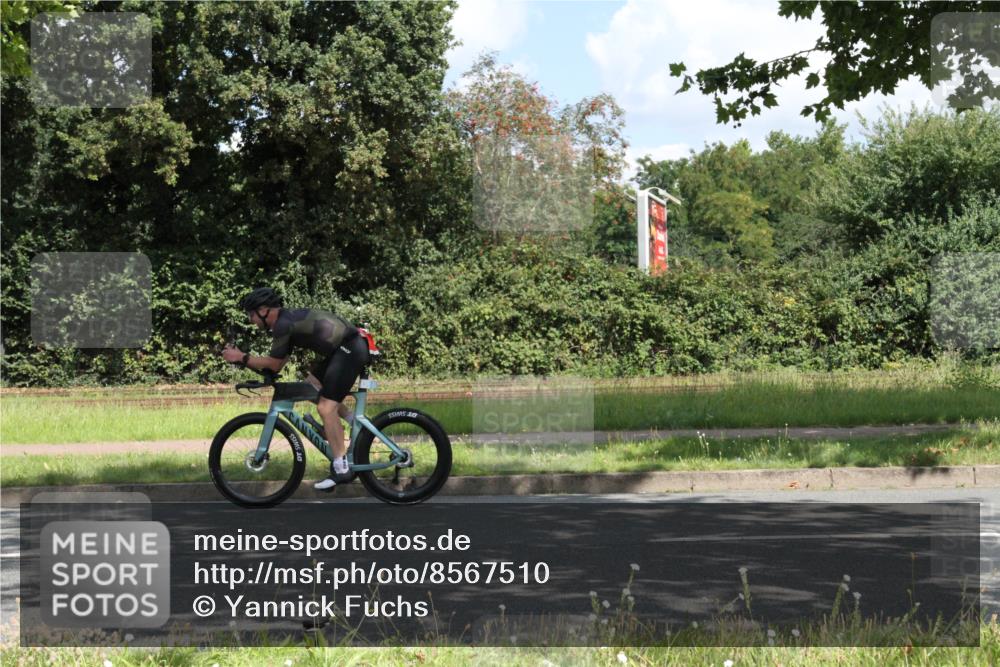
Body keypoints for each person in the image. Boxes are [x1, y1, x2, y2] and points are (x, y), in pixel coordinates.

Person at [221, 287, 369, 490]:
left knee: (326, 408)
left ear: (264, 310)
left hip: (349, 349)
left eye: (251, 314)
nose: (250, 320)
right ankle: (354, 425)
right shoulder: (286, 322)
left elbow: (273, 364)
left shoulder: (283, 324)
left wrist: (241, 357)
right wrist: (248, 362)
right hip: (346, 348)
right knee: (311, 387)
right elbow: (278, 364)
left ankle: (342, 468)